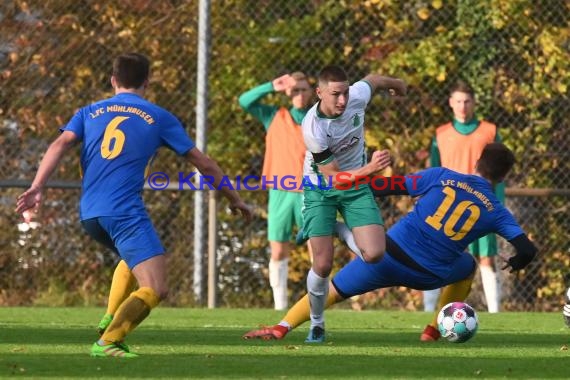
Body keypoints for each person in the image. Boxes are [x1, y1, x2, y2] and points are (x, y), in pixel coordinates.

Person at [15, 53, 253, 358]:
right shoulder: (158, 117)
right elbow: (203, 163)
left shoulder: (88, 111)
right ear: (147, 82)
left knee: (135, 257)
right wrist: (234, 198)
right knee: (155, 287)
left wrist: (37, 187)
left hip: (90, 213)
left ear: (113, 80)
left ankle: (108, 318)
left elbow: (59, 144)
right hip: (123, 211)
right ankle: (108, 342)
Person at [242, 143, 537, 342]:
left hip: (386, 256)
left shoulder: (441, 175)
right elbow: (527, 249)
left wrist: (350, 193)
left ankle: (282, 328)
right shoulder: (496, 210)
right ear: (502, 178)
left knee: (331, 291)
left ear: (476, 162)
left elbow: (388, 187)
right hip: (429, 276)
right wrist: (517, 261)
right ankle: (432, 331)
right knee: (467, 266)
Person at [299, 65, 407, 342]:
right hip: (322, 188)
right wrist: (370, 169)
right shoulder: (312, 127)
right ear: (319, 93)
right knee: (322, 265)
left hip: (355, 186)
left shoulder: (356, 96)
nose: (343, 100)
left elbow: (373, 79)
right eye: (335, 94)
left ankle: (335, 228)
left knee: (373, 254)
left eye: (345, 92)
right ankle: (317, 323)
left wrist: (395, 82)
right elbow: (334, 178)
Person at [423, 80, 505, 316]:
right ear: (450, 103)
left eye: (467, 101)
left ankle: (495, 314)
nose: (462, 106)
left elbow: (499, 173)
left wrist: (497, 205)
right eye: (458, 101)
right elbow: (433, 173)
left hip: (482, 206)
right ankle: (429, 310)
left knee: (486, 258)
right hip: (449, 208)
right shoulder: (441, 134)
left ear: (474, 103)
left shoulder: (489, 131)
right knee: (438, 257)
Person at [237, 72, 313, 311]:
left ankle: (316, 302)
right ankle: (280, 306)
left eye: (304, 89)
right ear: (288, 94)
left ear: (311, 92)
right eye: (295, 90)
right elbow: (245, 101)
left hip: (311, 193)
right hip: (280, 192)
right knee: (278, 250)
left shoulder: (318, 118)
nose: (299, 94)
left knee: (317, 249)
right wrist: (273, 86)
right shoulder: (275, 116)